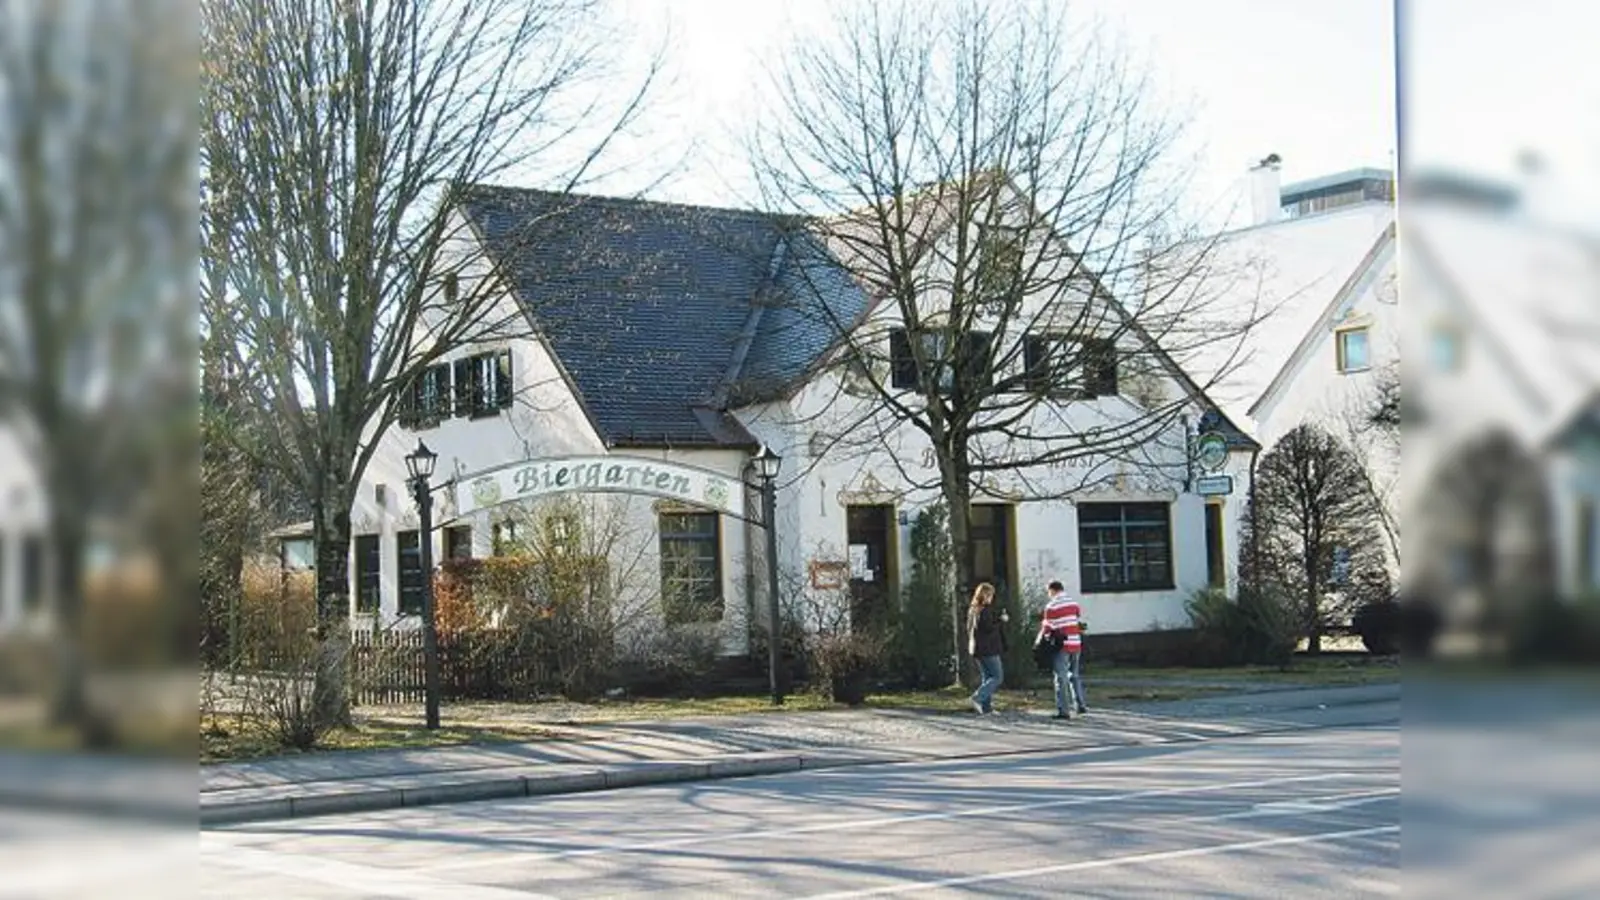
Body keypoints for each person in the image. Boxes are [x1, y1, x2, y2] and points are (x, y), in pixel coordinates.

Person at [1036, 580, 1087, 719]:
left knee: (1061, 677)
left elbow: (1047, 629)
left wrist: (1042, 640)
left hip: (1062, 646)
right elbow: (1076, 619)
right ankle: (1080, 704)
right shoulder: (1074, 604)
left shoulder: (1051, 607)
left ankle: (1063, 710)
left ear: (1052, 590)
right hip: (1076, 643)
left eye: (1049, 592)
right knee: (1074, 675)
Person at [967, 582, 1007, 715]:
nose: (992, 598)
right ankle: (977, 698)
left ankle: (986, 708)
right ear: (985, 595)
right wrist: (1001, 620)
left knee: (987, 677)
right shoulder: (984, 610)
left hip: (977, 648)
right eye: (990, 595)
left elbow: (972, 628)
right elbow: (988, 628)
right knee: (997, 676)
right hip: (988, 648)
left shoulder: (973, 609)